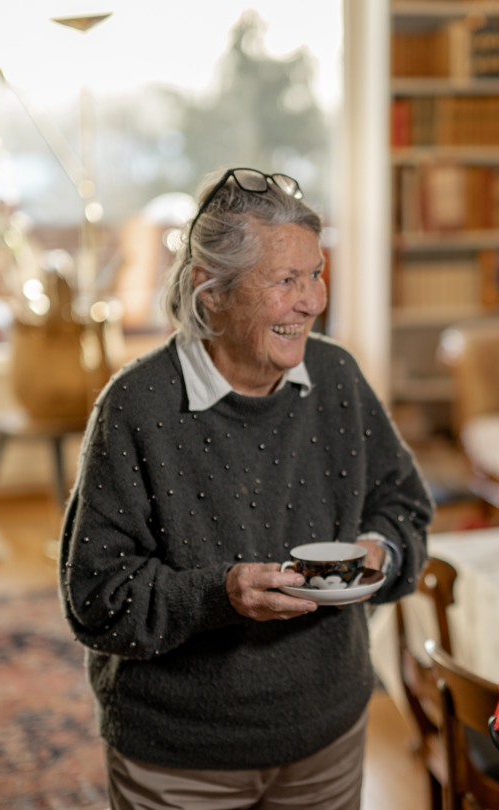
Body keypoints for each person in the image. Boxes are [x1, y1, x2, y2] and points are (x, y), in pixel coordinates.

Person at [58, 168, 433, 810]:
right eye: (286, 281)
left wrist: (381, 552)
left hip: (328, 734)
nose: (313, 301)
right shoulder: (137, 407)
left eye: (316, 272)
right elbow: (96, 598)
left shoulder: (337, 374)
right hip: (180, 758)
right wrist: (220, 594)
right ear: (212, 294)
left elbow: (404, 506)